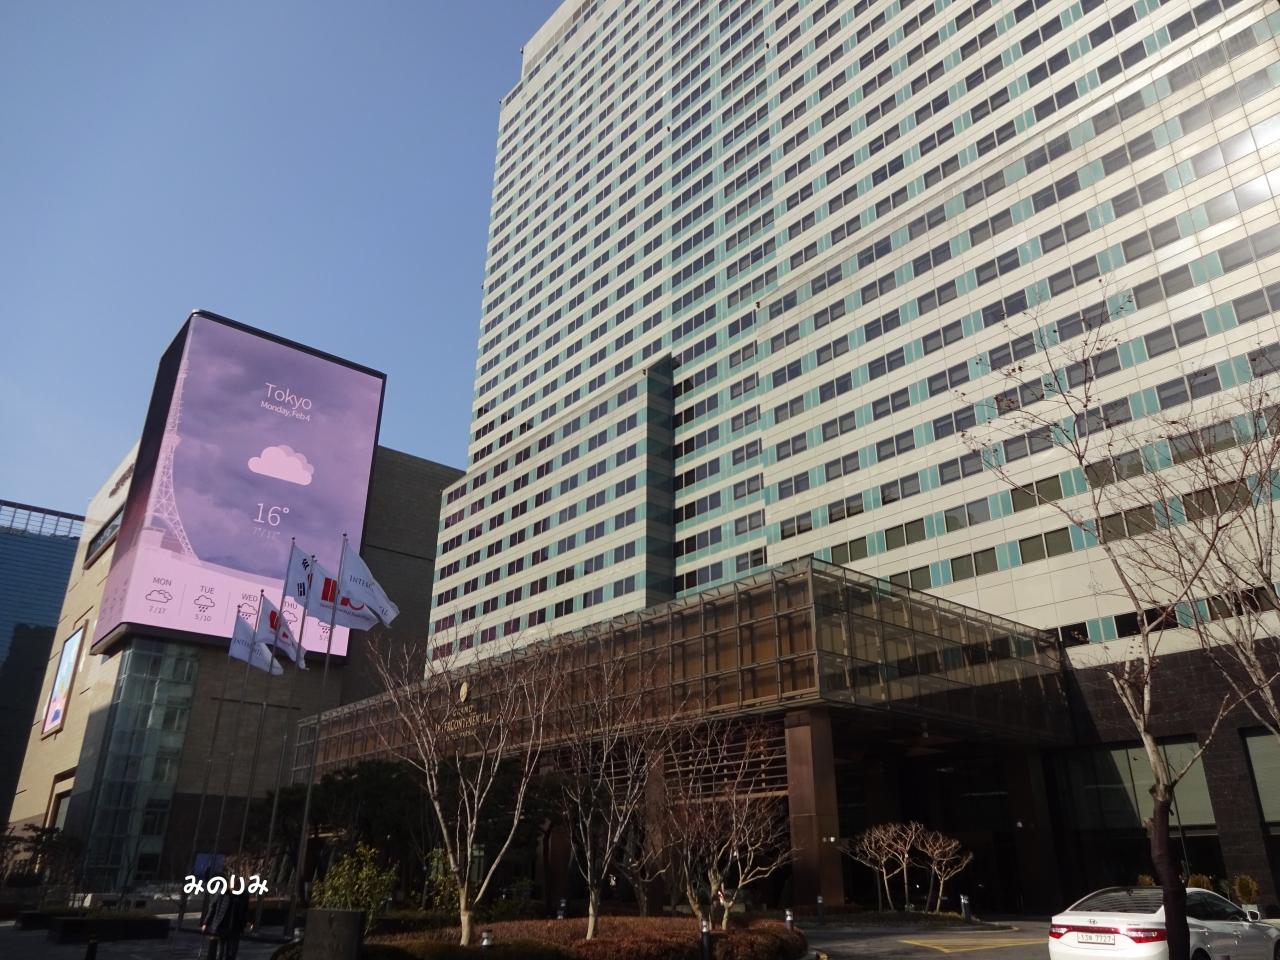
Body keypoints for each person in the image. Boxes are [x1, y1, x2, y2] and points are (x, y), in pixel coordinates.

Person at [201, 876, 233, 960]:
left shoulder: (236, 896)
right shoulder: (221, 893)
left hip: (229, 927)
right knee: (216, 948)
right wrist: (205, 923)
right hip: (219, 925)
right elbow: (212, 908)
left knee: (223, 950)